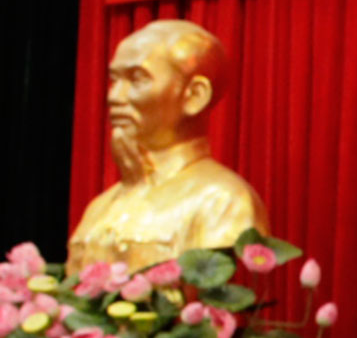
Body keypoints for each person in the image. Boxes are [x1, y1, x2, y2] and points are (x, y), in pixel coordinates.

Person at [69, 19, 265, 271]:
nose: (114, 97)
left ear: (194, 95)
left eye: (137, 79)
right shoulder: (99, 208)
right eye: (114, 80)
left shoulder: (224, 200)